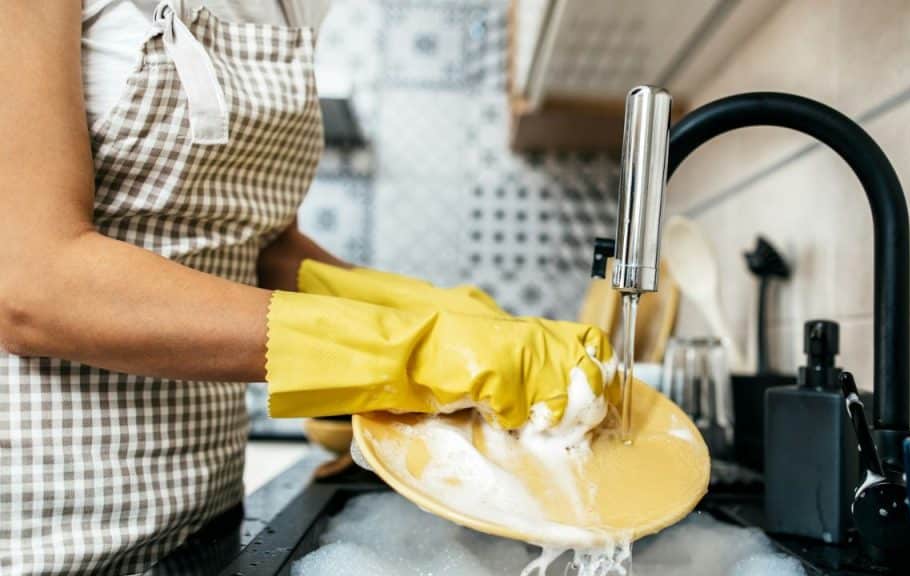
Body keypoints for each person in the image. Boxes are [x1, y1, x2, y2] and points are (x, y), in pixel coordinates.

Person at [0, 2, 612, 573]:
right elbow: (33, 286)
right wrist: (414, 352)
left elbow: (260, 247)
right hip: (52, 530)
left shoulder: (294, 6)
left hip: (205, 519)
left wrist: (447, 318)